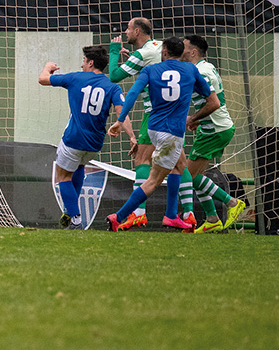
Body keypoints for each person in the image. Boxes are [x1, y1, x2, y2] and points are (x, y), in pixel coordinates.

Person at [106, 36, 219, 232]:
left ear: (164, 52)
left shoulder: (150, 69)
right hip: (172, 131)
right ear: (181, 53)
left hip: (153, 127)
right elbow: (212, 100)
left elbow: (132, 93)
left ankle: (172, 215)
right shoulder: (191, 69)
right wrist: (195, 117)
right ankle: (119, 216)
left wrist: (119, 120)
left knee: (179, 166)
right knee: (154, 181)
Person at [38, 46, 134, 229]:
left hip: (74, 139)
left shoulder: (75, 78)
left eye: (83, 61)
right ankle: (70, 210)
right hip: (94, 144)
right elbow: (122, 112)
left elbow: (42, 79)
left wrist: (48, 67)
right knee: (79, 166)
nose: (81, 65)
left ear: (91, 63)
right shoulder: (112, 86)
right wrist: (131, 136)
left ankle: (75, 218)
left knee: (62, 177)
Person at [106, 16, 167, 230]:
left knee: (142, 159)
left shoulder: (142, 54)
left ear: (138, 31)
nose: (125, 31)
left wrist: (114, 51)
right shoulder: (160, 46)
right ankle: (187, 214)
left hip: (154, 113)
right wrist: (132, 57)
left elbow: (114, 76)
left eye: (128, 28)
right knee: (179, 164)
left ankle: (139, 213)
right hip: (173, 111)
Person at [181, 35, 247, 233]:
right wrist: (199, 120)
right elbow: (213, 102)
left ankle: (232, 202)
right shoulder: (206, 67)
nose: (181, 50)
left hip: (215, 130)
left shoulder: (200, 72)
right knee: (197, 176)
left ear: (193, 52)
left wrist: (192, 118)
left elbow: (214, 103)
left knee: (189, 176)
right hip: (215, 127)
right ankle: (212, 219)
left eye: (184, 47)